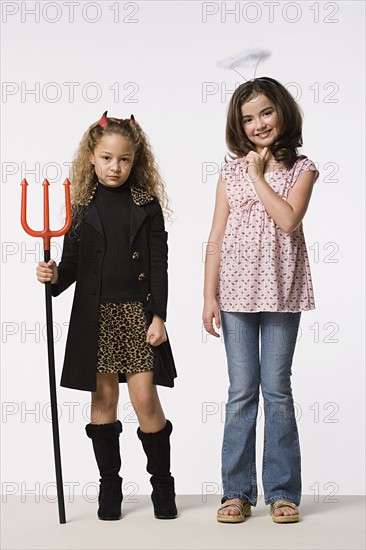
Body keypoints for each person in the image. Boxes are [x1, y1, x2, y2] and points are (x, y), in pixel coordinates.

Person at [36, 111, 177, 521]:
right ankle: (109, 487)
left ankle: (162, 484)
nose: (115, 167)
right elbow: (72, 267)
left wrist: (159, 316)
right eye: (106, 158)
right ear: (91, 158)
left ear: (137, 161)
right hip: (95, 317)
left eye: (124, 160)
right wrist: (53, 276)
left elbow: (159, 263)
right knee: (103, 399)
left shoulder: (146, 206)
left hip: (137, 315)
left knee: (145, 398)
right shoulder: (78, 207)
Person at [202, 77, 319, 524]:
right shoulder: (229, 172)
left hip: (281, 293)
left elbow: (288, 220)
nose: (258, 124)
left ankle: (283, 492)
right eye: (248, 118)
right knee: (240, 392)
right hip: (234, 293)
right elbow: (215, 237)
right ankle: (236, 492)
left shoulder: (302, 168)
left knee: (277, 390)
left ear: (282, 112)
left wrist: (258, 175)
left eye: (265, 113)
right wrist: (207, 294)